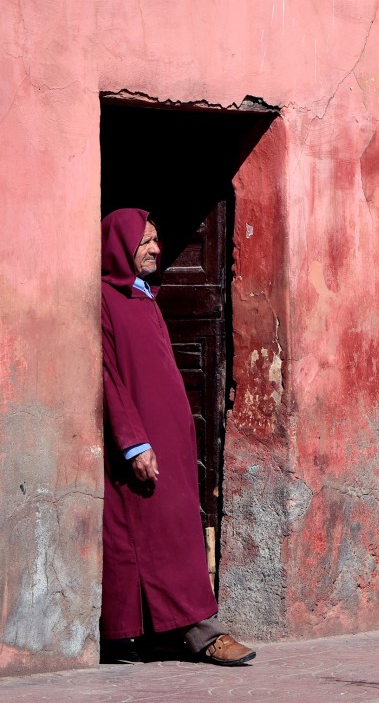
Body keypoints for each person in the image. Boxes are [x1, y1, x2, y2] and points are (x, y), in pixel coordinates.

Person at [100, 208, 256, 665]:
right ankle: (202, 631)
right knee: (159, 534)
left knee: (170, 531)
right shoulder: (106, 302)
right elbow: (108, 377)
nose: (155, 248)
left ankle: (152, 634)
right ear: (119, 246)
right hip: (143, 446)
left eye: (155, 239)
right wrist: (134, 443)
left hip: (170, 445)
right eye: (144, 240)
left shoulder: (144, 297)